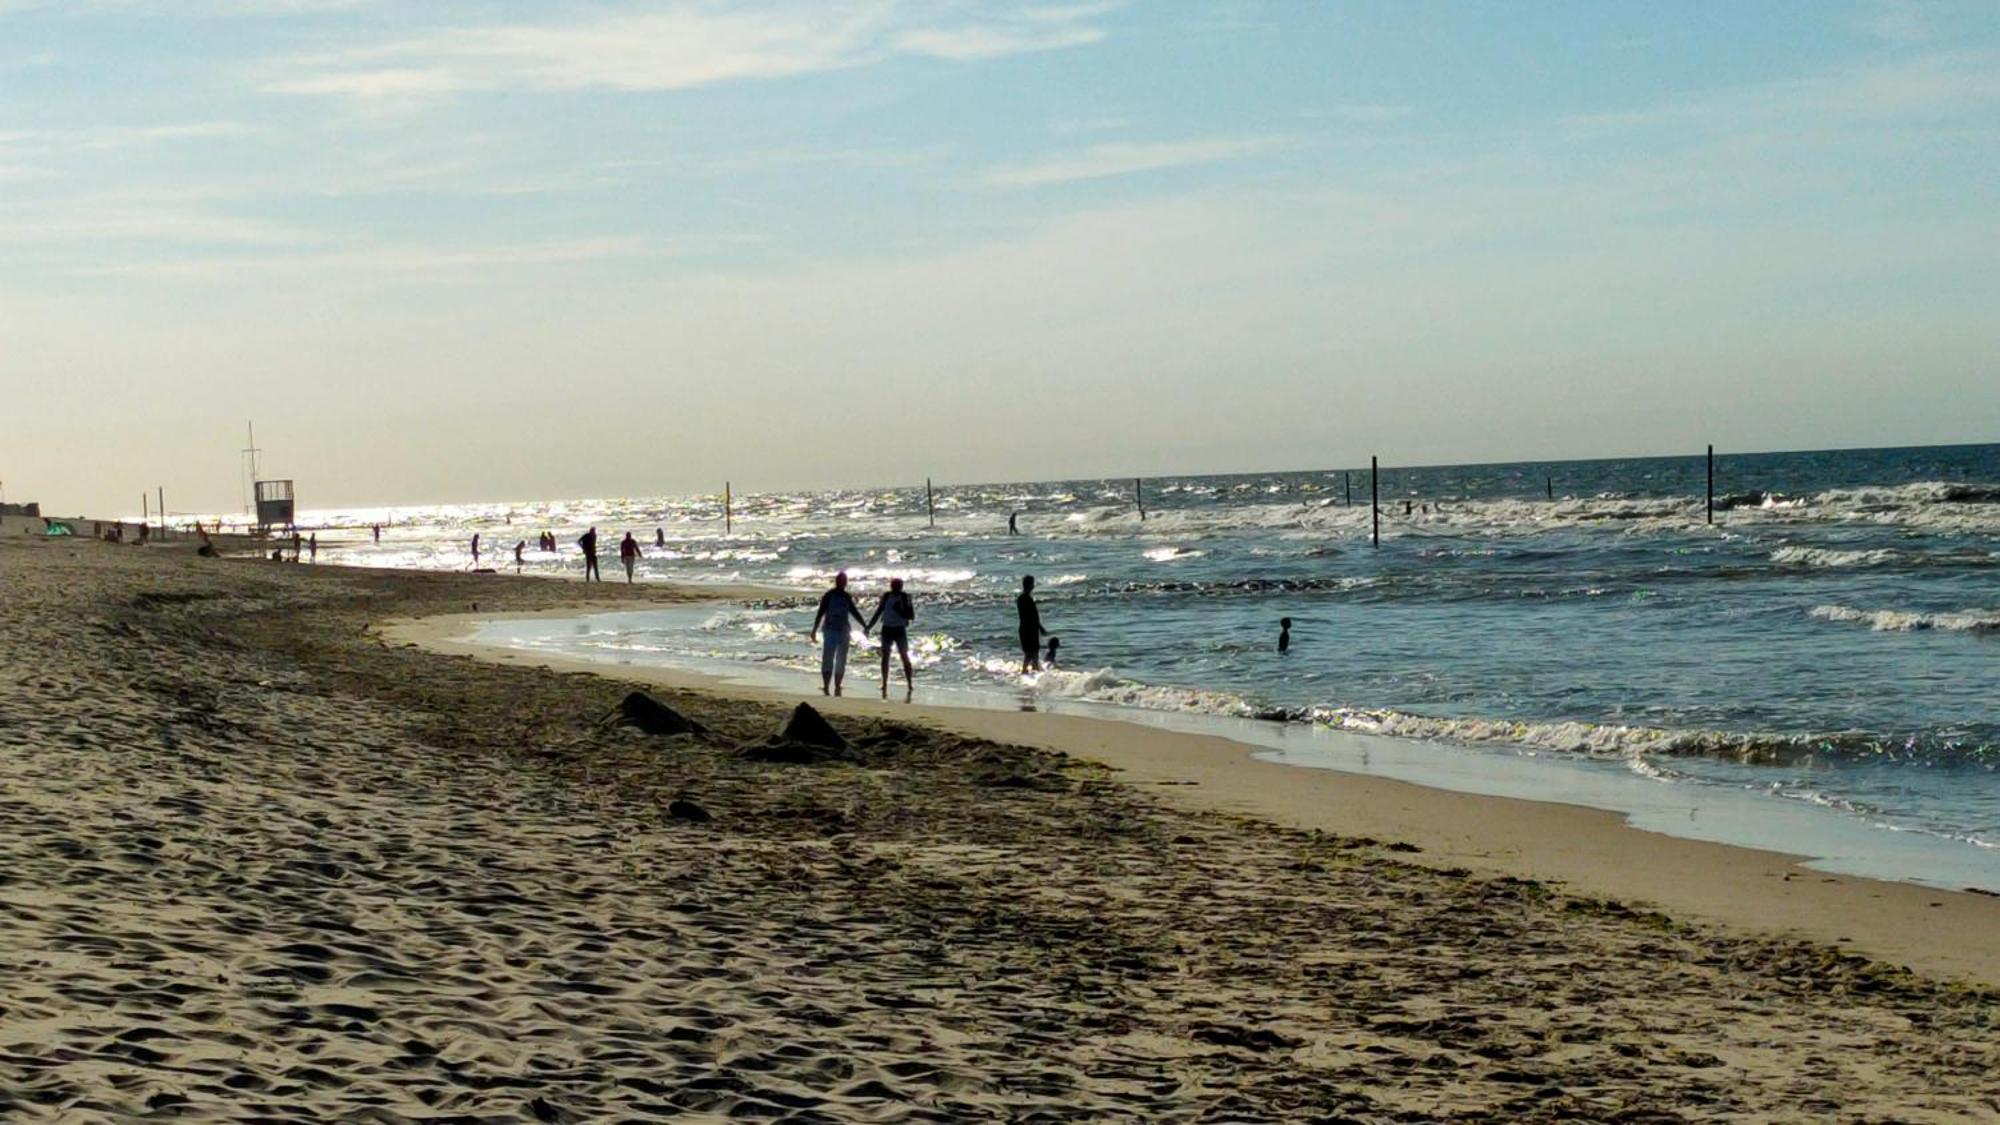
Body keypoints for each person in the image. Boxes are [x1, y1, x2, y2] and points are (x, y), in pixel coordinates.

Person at [810, 571, 869, 697]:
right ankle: (826, 685)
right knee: (828, 658)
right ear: (836, 582)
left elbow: (854, 612)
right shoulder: (829, 595)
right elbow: (820, 613)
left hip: (844, 631)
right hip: (830, 630)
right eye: (840, 581)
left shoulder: (847, 597)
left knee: (841, 660)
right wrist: (814, 630)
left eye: (844, 581)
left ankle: (837, 685)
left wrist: (864, 625)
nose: (842, 583)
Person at [867, 577, 916, 698]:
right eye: (894, 586)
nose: (896, 588)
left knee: (904, 656)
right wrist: (869, 627)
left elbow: (911, 616)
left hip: (900, 629)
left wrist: (899, 610)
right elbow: (878, 612)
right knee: (885, 656)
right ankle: (884, 683)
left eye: (898, 586)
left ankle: (909, 683)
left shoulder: (905, 597)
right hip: (887, 629)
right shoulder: (886, 596)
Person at [1017, 575, 1048, 674]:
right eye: (1032, 584)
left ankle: (1030, 671)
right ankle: (1029, 671)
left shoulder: (1022, 598)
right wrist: (1040, 627)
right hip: (1029, 629)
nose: (1033, 586)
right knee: (1032, 653)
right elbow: (1031, 616)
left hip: (1026, 628)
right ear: (1029, 585)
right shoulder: (1026, 599)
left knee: (1031, 653)